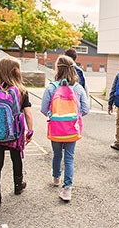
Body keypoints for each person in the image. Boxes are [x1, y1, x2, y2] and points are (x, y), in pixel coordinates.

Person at [0, 57, 34, 211]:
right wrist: (30, 130)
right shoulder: (21, 90)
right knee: (16, 158)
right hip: (14, 132)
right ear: (16, 72)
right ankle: (18, 185)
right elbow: (28, 114)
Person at [41, 55, 89, 202]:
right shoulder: (78, 88)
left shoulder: (51, 87)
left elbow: (43, 109)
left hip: (56, 128)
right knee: (69, 157)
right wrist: (74, 116)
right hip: (72, 129)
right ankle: (67, 188)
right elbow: (86, 109)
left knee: (56, 154)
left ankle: (56, 178)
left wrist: (53, 115)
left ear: (57, 69)